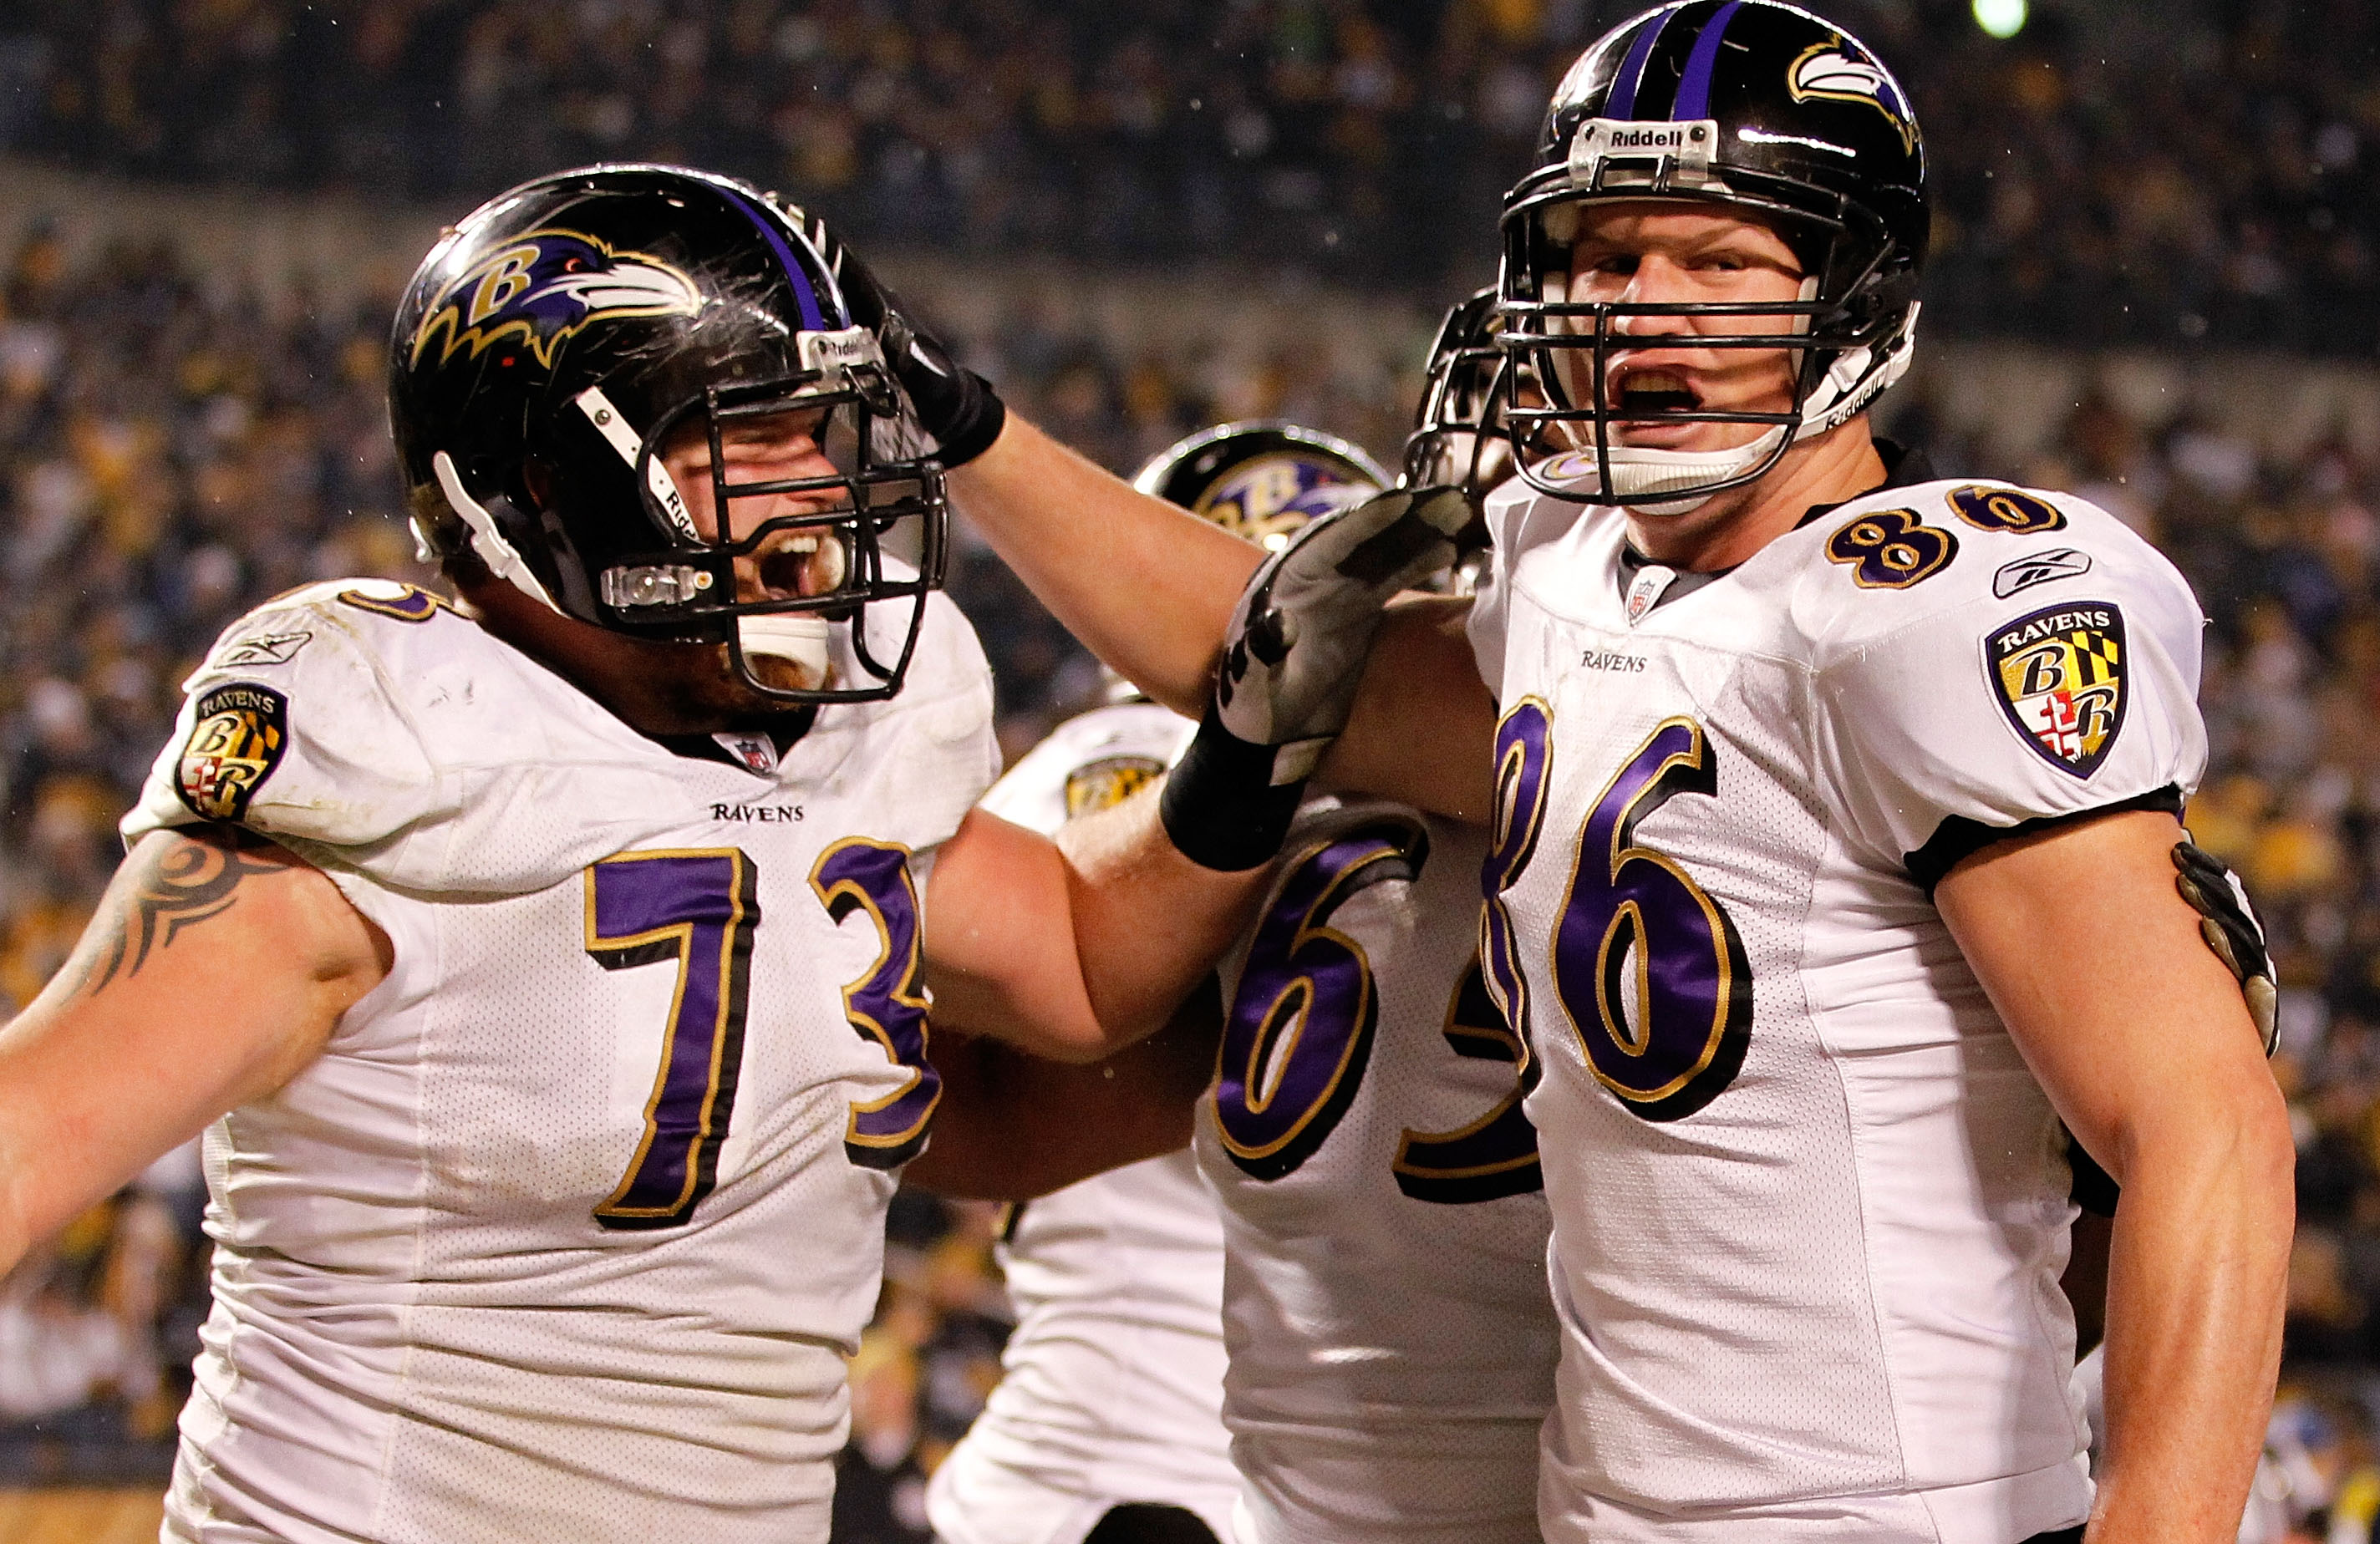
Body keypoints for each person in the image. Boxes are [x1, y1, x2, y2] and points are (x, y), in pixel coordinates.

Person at [803, 5, 2296, 1540]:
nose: (1645, 308)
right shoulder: (1568, 577)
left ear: (1852, 288)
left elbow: (2207, 1129)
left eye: (1718, 262)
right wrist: (969, 429)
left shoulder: (1937, 604)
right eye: (1603, 254)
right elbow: (1277, 656)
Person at [0, 165, 1304, 1544]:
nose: (825, 497)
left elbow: (1091, 972)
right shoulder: (393, 761)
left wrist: (1272, 748)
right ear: (555, 486)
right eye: (753, 442)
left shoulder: (845, 758)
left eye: (830, 435)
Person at [916, 423, 1557, 1544]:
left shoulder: (1109, 759)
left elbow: (929, 1063)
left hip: (1096, 1468)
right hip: (1317, 1470)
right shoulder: (1523, 785)